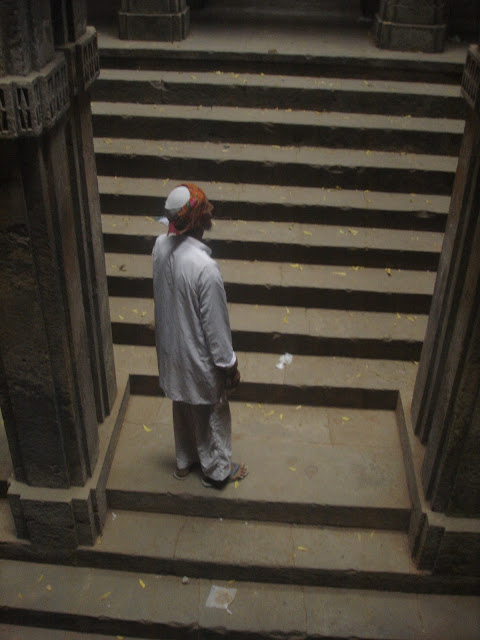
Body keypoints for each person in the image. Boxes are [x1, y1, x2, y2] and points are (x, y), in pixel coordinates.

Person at [152, 183, 248, 488]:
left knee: (180, 404)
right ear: (199, 222)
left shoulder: (159, 247)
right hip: (199, 358)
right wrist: (229, 366)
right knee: (211, 414)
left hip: (171, 350)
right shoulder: (205, 268)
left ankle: (184, 462)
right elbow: (216, 329)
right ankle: (217, 470)